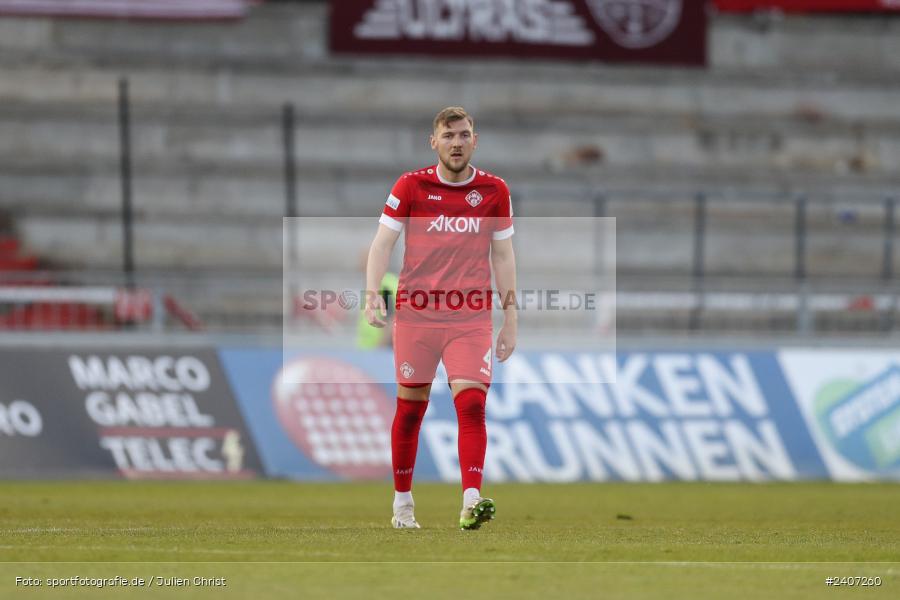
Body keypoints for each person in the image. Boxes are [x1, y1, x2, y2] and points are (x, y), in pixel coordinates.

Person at [365, 106, 517, 530]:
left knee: (472, 404)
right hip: (417, 316)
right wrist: (373, 293)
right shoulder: (411, 186)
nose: (456, 143)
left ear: (475, 141)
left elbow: (503, 256)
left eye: (464, 135)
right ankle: (402, 505)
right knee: (410, 410)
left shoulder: (494, 191)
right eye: (448, 136)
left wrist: (511, 317)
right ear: (434, 142)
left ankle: (471, 500)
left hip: (470, 318)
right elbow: (381, 244)